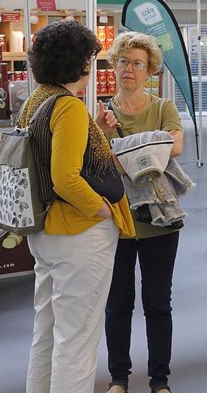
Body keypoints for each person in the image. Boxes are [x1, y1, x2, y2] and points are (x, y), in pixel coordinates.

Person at [21, 20, 135, 393]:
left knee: (48, 333)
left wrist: (95, 133)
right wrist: (101, 210)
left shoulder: (36, 100)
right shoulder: (67, 106)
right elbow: (66, 178)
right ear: (81, 62)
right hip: (78, 234)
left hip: (45, 230)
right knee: (78, 342)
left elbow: (50, 156)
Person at [99, 32, 185, 393]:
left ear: (150, 70)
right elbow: (97, 162)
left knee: (157, 303)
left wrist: (121, 149)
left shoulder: (163, 106)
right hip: (116, 221)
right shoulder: (101, 112)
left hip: (160, 221)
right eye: (123, 62)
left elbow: (176, 147)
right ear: (114, 66)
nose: (129, 70)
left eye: (137, 63)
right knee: (117, 304)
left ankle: (159, 380)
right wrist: (148, 146)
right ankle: (118, 378)